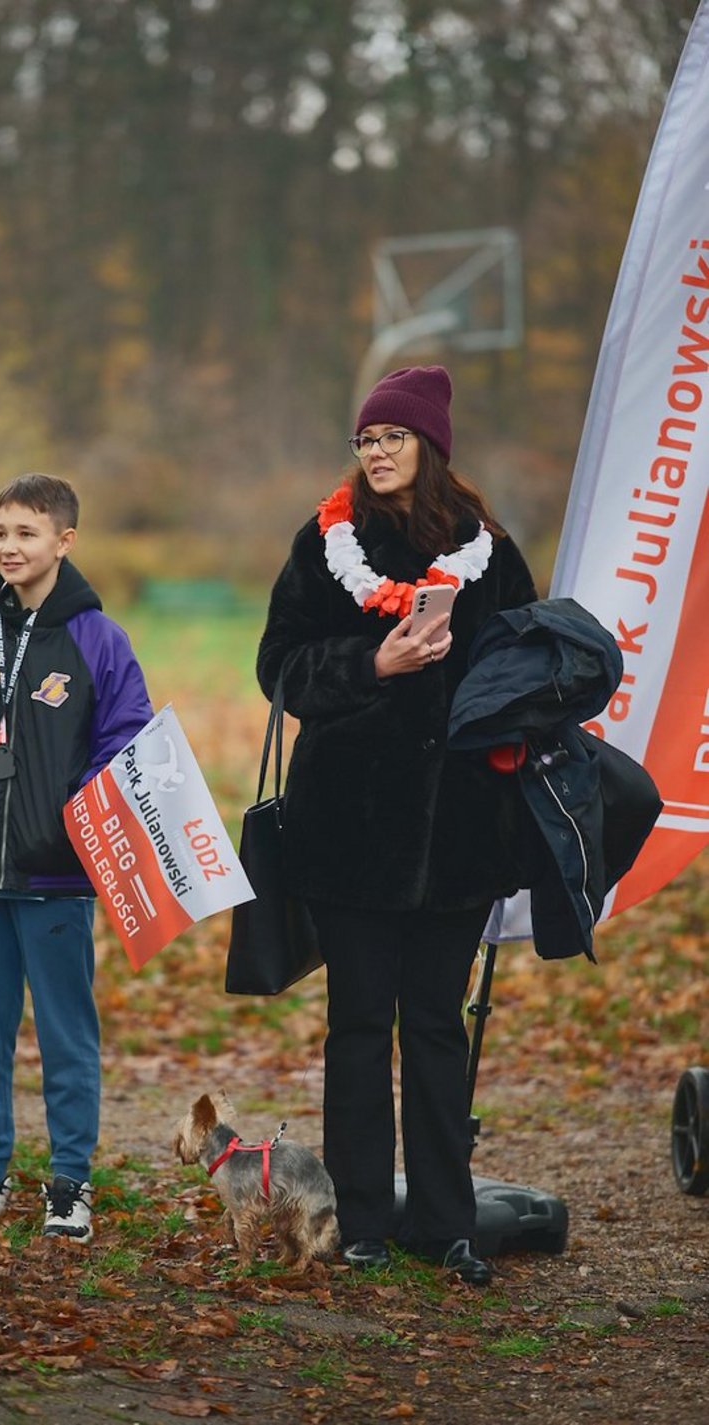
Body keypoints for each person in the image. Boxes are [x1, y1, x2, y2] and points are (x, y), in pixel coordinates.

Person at [256, 366, 538, 1284]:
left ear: (431, 446)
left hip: (460, 837)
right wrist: (369, 661)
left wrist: (491, 706)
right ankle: (365, 1219)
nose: (376, 452)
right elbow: (280, 667)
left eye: (392, 438)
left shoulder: (488, 551)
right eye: (365, 440)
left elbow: (533, 669)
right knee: (358, 1024)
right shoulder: (323, 542)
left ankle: (448, 1224)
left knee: (435, 1027)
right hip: (347, 832)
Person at [0, 472, 153, 1241]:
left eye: (26, 532)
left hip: (56, 878)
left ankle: (69, 1183)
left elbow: (126, 739)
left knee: (65, 1036)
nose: (9, 547)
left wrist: (74, 813)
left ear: (64, 541)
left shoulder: (99, 641)